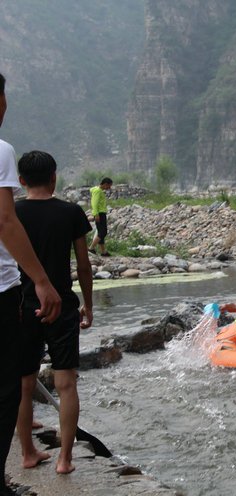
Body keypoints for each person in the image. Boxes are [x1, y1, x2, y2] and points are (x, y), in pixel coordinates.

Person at [0, 73, 61, 495]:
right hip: (2, 290)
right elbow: (4, 220)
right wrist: (40, 280)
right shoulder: (0, 150)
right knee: (7, 386)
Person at [14, 151, 93, 475]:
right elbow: (84, 265)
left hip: (23, 306)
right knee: (66, 383)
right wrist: (88, 303)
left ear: (20, 181)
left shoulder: (12, 214)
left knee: (24, 383)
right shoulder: (71, 212)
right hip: (62, 305)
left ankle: (28, 453)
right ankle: (65, 459)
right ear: (54, 177)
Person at [88, 177, 112, 257]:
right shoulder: (98, 191)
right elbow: (94, 203)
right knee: (103, 232)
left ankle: (103, 251)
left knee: (101, 231)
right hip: (100, 214)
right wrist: (96, 214)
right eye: (109, 186)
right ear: (105, 184)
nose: (109, 188)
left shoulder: (98, 190)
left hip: (101, 213)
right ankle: (91, 248)